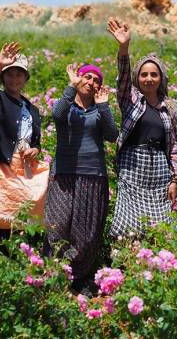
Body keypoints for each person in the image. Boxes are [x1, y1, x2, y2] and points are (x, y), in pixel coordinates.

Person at [43, 63, 118, 291]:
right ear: (79, 79)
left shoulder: (99, 110)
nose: (91, 82)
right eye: (87, 77)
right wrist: (70, 86)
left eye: (96, 80)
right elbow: (56, 114)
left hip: (93, 176)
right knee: (56, 227)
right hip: (63, 175)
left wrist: (104, 107)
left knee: (86, 233)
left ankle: (79, 279)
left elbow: (112, 135)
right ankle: (53, 275)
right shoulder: (67, 107)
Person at [107, 18, 177, 236]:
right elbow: (121, 79)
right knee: (128, 229)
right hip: (132, 168)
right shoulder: (130, 100)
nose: (149, 78)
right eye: (144, 74)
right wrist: (124, 47)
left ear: (161, 78)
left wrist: (174, 180)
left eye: (154, 74)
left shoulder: (169, 108)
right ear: (137, 78)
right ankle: (124, 268)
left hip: (159, 174)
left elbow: (175, 148)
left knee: (161, 231)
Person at [0, 43, 47, 242]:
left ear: (26, 78)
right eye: (9, 74)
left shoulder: (32, 109)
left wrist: (35, 149)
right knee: (0, 216)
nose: (14, 79)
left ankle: (20, 260)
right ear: (2, 78)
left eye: (19, 74)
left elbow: (36, 141)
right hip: (2, 166)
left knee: (23, 218)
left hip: (24, 168)